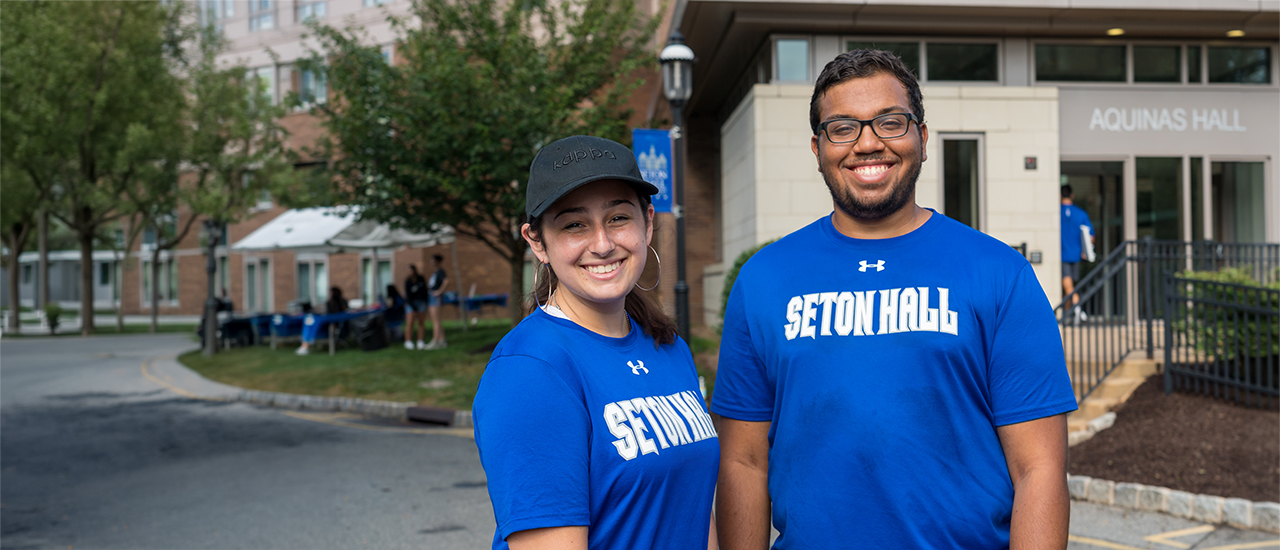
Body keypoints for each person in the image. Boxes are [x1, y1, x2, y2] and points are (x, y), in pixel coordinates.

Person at [713, 49, 1077, 550]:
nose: (868, 144)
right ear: (817, 148)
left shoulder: (997, 273)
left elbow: (1039, 469)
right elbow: (743, 462)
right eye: (843, 128)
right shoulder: (763, 281)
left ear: (922, 139)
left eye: (890, 122)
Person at [473, 135, 719, 550]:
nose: (602, 244)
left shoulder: (669, 347)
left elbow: (695, 510)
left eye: (619, 218)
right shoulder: (530, 371)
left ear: (648, 222)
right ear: (537, 242)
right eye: (574, 225)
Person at [1061, 184, 1095, 323]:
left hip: (1062, 255)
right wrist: (1085, 250)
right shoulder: (1081, 213)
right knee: (1069, 286)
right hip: (1077, 255)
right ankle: (1069, 314)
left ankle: (1077, 308)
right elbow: (1091, 236)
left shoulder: (1055, 212)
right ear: (1072, 195)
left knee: (1069, 288)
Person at [297, 287, 349, 355]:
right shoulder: (329, 302)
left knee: (313, 321)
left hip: (333, 320)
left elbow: (344, 312)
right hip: (327, 321)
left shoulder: (341, 302)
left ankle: (307, 344)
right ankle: (305, 345)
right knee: (309, 323)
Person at [425, 254, 448, 349]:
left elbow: (446, 281)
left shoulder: (440, 271)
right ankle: (442, 340)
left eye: (433, 260)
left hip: (436, 297)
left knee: (436, 320)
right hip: (431, 295)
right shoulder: (435, 272)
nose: (431, 262)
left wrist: (440, 291)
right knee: (436, 320)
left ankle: (435, 340)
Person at [404, 264, 430, 350]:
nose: (409, 273)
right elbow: (408, 296)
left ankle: (420, 341)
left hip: (421, 303)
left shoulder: (421, 279)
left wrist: (426, 302)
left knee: (421, 322)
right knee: (410, 322)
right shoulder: (407, 281)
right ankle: (408, 341)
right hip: (411, 303)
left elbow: (425, 291)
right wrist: (414, 308)